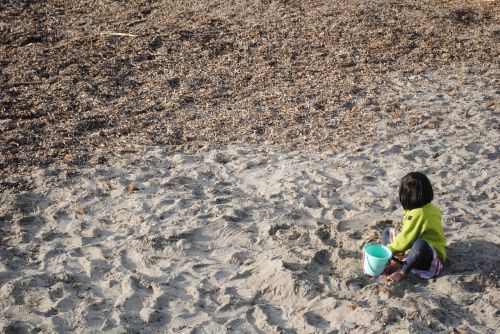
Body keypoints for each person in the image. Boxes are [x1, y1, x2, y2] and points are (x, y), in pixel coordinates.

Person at [382, 172, 446, 282]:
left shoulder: (418, 214)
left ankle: (402, 272)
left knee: (420, 245)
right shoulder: (430, 207)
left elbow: (406, 240)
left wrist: (387, 251)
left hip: (429, 258)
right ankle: (396, 263)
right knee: (388, 232)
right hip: (413, 251)